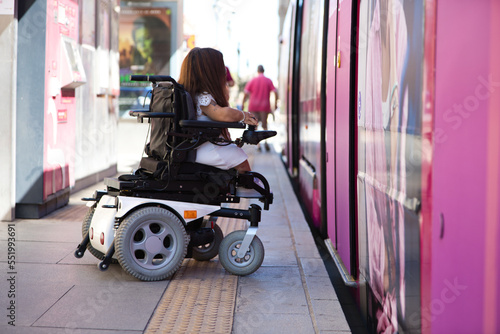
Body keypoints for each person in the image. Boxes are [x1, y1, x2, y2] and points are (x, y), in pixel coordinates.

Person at [178, 47, 258, 173]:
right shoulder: (203, 98)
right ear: (211, 74)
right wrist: (243, 115)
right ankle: (248, 189)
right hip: (203, 148)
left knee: (233, 150)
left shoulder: (192, 95)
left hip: (197, 146)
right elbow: (222, 114)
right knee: (240, 159)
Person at [242, 65, 278, 151]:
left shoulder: (252, 80)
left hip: (253, 106)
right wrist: (275, 103)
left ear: (257, 71)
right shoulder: (268, 80)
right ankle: (266, 143)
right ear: (264, 71)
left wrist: (243, 103)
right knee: (265, 125)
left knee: (255, 125)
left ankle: (258, 146)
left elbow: (246, 93)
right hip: (264, 106)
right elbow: (275, 92)